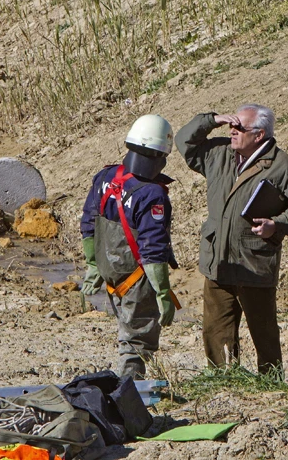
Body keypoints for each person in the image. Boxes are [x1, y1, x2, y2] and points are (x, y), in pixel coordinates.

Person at [175, 104, 288, 374]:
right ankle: (223, 379)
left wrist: (276, 225)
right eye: (231, 125)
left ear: (259, 135)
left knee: (264, 332)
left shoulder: (283, 166)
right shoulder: (219, 153)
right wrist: (213, 120)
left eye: (239, 127)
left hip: (254, 264)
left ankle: (270, 385)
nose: (232, 131)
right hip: (218, 262)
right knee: (216, 330)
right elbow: (183, 139)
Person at [80, 114, 179, 379]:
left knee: (126, 331)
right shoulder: (152, 194)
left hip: (110, 271)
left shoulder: (105, 177)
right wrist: (163, 292)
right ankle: (130, 393)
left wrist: (93, 266)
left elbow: (89, 222)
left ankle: (126, 387)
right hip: (137, 278)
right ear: (161, 156)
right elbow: (153, 247)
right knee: (136, 342)